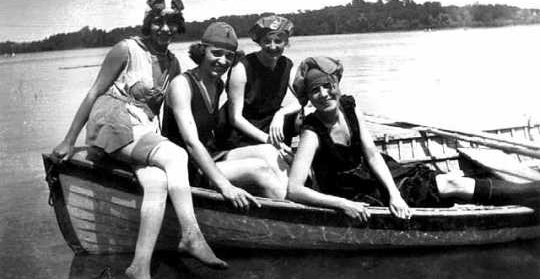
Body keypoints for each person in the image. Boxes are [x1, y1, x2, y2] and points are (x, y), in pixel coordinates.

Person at [52, 0, 228, 279]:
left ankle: (140, 266)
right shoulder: (127, 49)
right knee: (176, 155)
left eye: (172, 23)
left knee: (158, 181)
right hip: (111, 123)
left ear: (178, 27)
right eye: (159, 22)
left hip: (140, 132)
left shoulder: (173, 64)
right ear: (149, 23)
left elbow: (159, 114)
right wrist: (69, 140)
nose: (165, 29)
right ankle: (192, 235)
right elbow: (94, 92)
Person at [286, 56, 540, 221]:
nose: (323, 94)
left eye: (327, 85)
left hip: (380, 177)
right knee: (453, 186)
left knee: (451, 182)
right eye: (314, 90)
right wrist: (343, 204)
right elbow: (295, 190)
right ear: (308, 97)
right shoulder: (312, 131)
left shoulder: (349, 106)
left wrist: (395, 194)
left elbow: (373, 156)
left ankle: (532, 194)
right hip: (354, 194)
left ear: (337, 84)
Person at [162, 22, 288, 203]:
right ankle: (293, 217)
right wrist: (225, 186)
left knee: (270, 151)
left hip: (208, 154)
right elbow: (191, 142)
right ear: (202, 51)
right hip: (185, 165)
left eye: (229, 56)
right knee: (259, 168)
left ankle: (294, 197)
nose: (223, 61)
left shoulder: (217, 84)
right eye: (216, 53)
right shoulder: (182, 85)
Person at [220, 15, 301, 160]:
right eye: (267, 41)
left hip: (270, 124)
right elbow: (235, 118)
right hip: (241, 131)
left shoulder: (286, 65)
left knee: (309, 116)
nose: (273, 46)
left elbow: (303, 98)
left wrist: (281, 114)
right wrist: (269, 141)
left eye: (278, 41)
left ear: (286, 42)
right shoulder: (242, 67)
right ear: (259, 42)